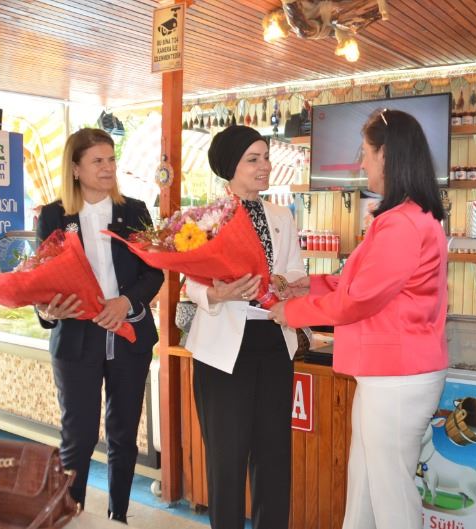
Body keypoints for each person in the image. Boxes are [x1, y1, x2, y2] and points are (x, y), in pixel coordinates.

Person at [269, 109, 449, 529]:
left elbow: (358, 300)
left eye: (366, 153)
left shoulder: (402, 223)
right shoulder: (403, 217)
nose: (362, 163)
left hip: (397, 376)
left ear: (387, 155)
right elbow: (361, 284)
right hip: (388, 373)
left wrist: (290, 313)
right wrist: (307, 286)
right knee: (366, 486)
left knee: (391, 497)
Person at [35, 128, 164, 523]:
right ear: (75, 168)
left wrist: (126, 302)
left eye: (111, 160)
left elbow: (154, 271)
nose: (108, 168)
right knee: (79, 436)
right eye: (97, 161)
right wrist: (48, 310)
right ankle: (69, 515)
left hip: (128, 336)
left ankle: (117, 516)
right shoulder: (54, 215)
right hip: (77, 339)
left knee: (123, 435)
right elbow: (42, 279)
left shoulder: (135, 210)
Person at [185, 125, 305, 529]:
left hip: (274, 340)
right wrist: (218, 293)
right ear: (229, 167)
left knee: (274, 457)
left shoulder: (281, 216)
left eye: (265, 157)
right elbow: (189, 284)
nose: (264, 166)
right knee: (226, 460)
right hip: (222, 350)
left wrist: (280, 283)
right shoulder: (206, 219)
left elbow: (296, 272)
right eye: (253, 159)